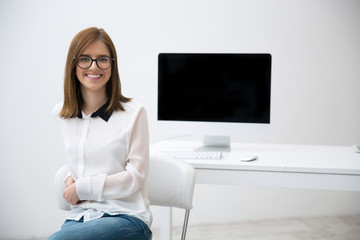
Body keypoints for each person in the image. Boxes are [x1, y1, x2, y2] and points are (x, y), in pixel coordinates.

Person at [49, 27, 152, 240]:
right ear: (73, 64)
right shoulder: (63, 114)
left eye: (102, 59)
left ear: (112, 65)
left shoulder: (134, 113)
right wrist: (70, 178)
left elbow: (136, 177)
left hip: (127, 218)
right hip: (81, 216)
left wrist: (82, 188)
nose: (94, 67)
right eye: (85, 59)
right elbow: (81, 159)